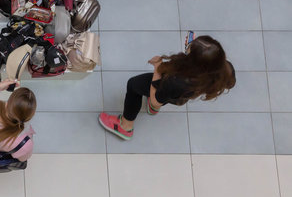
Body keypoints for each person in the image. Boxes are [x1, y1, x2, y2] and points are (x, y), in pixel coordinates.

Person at [99, 35, 236, 140]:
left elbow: (155, 99)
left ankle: (125, 126)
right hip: (180, 95)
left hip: (169, 88)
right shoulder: (220, 68)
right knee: (165, 96)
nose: (188, 46)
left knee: (133, 85)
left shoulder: (176, 81)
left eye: (191, 49)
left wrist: (157, 67)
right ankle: (153, 110)